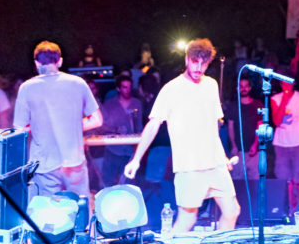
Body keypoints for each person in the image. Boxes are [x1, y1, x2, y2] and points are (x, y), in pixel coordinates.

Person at [124, 39, 239, 233]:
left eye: (204, 63)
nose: (199, 68)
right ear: (187, 60)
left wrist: (223, 157)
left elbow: (213, 127)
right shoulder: (172, 89)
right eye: (195, 62)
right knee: (188, 219)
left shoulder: (211, 85)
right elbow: (153, 125)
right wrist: (136, 159)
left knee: (232, 211)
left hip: (215, 163)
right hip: (189, 166)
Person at [14, 41, 103, 198]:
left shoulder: (27, 88)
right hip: (74, 161)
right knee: (78, 207)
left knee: (47, 210)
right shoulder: (78, 83)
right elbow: (97, 120)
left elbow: (19, 129)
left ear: (36, 63)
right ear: (60, 61)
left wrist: (40, 126)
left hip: (44, 164)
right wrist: (71, 125)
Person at [271, 68, 299, 213]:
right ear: (280, 83)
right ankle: (289, 207)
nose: (286, 85)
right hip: (281, 144)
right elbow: (277, 121)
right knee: (285, 177)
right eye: (283, 82)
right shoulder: (275, 99)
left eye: (288, 82)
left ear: (293, 83)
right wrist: (284, 98)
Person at [99, 74, 143, 186]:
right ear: (118, 88)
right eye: (124, 87)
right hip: (113, 149)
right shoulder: (109, 104)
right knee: (109, 182)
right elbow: (102, 126)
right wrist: (115, 129)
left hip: (131, 150)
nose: (128, 90)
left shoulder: (136, 103)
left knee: (130, 183)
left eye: (129, 87)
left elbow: (140, 126)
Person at [227, 78, 263, 180]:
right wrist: (234, 146)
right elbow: (230, 127)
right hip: (238, 151)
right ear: (237, 88)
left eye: (246, 86)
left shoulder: (258, 105)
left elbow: (260, 127)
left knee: (254, 179)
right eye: (241, 86)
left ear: (250, 88)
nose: (244, 89)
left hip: (254, 151)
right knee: (238, 179)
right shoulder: (233, 106)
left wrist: (255, 145)